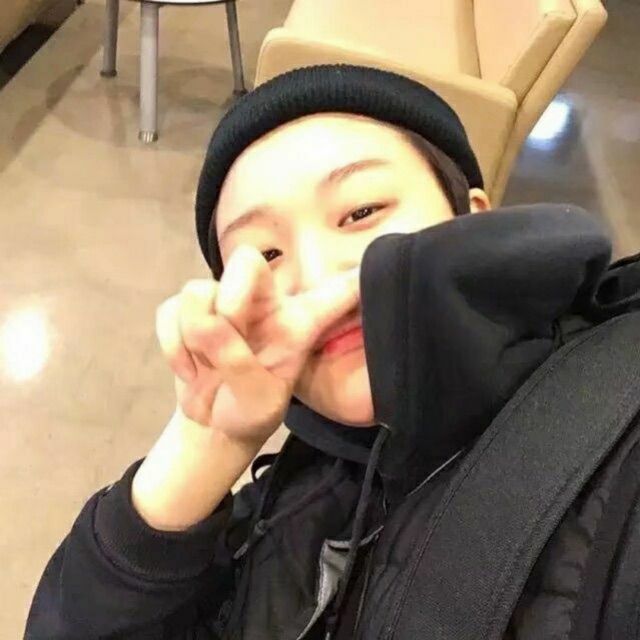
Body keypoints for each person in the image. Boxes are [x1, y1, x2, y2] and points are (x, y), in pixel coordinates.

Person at [25, 65, 640, 640]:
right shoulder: (289, 494)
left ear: (470, 217)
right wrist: (203, 447)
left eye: (361, 211)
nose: (316, 276)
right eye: (265, 255)